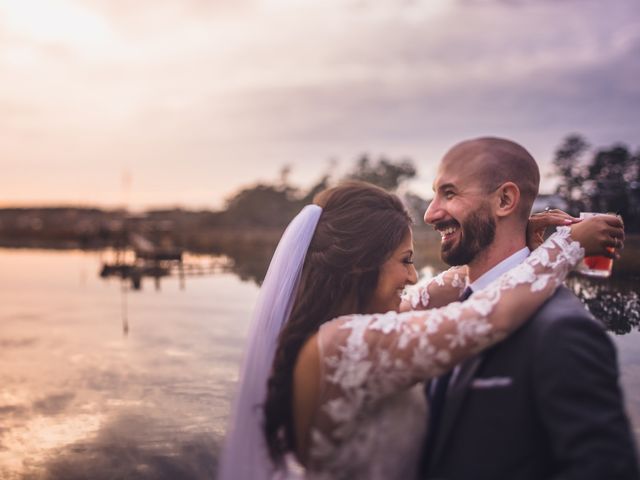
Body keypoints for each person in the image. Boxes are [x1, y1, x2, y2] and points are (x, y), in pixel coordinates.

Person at [217, 181, 623, 480]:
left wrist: (516, 246)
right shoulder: (346, 344)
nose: (413, 276)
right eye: (405, 260)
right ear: (361, 264)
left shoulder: (341, 331)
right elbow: (488, 315)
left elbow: (448, 286)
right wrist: (568, 245)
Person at [421, 137, 639, 480]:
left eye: (449, 194)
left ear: (505, 200)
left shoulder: (562, 330)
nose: (430, 213)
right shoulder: (444, 308)